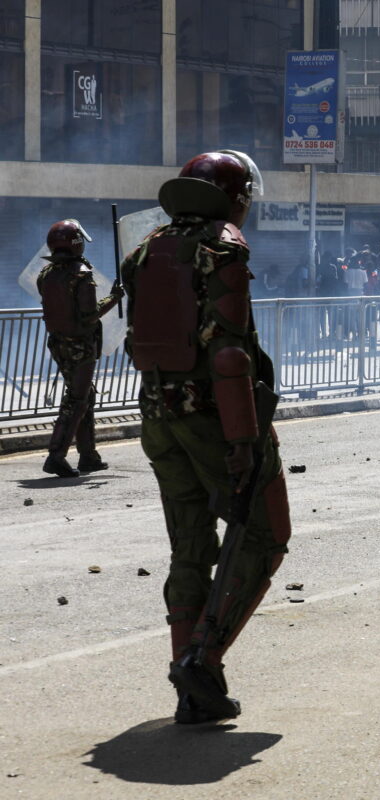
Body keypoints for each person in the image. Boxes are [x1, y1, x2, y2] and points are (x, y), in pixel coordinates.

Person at [121, 150, 291, 724]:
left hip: (157, 416)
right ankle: (203, 656)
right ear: (234, 195)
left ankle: (193, 692)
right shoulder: (222, 245)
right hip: (213, 419)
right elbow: (229, 354)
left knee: (189, 546)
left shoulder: (148, 246)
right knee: (266, 534)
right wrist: (244, 440)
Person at [36, 219, 124, 477]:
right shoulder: (81, 275)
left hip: (58, 344)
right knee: (77, 399)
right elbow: (89, 315)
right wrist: (114, 298)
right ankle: (56, 455)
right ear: (76, 243)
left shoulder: (46, 274)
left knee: (86, 396)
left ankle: (88, 456)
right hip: (80, 347)